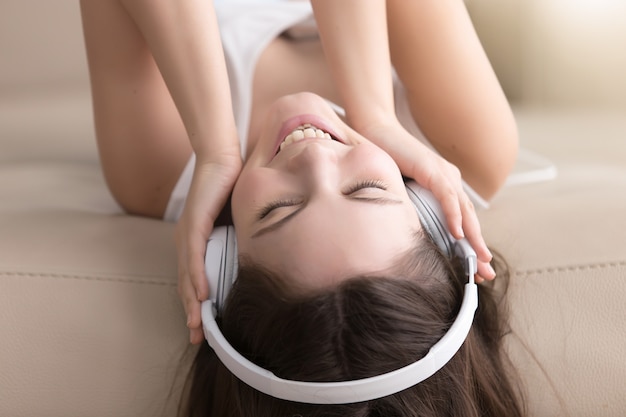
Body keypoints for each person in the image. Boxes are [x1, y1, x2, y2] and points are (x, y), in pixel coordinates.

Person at [80, 0, 522, 415]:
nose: (314, 159)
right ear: (433, 218)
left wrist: (214, 146)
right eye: (366, 189)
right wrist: (375, 116)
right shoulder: (471, 149)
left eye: (278, 208)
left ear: (223, 259)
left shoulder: (154, 170)